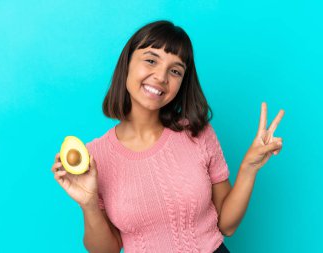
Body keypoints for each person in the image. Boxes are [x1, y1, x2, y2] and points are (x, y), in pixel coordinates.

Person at [51, 20, 284, 253]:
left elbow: (227, 225)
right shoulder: (95, 157)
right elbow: (106, 250)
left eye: (175, 71)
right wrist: (89, 204)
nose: (161, 77)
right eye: (151, 60)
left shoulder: (197, 132)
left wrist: (248, 169)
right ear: (127, 64)